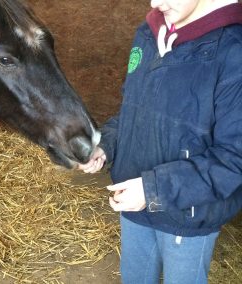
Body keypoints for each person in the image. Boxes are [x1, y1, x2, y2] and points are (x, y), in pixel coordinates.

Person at [78, 0, 242, 283]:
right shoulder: (148, 32)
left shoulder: (232, 52)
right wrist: (105, 145)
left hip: (188, 216)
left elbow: (233, 158)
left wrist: (153, 189)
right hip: (134, 202)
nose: (156, 2)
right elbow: (132, 111)